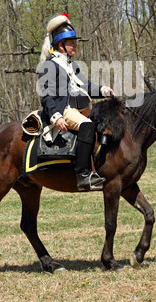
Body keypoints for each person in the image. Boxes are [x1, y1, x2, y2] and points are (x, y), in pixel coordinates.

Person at [37, 13, 114, 191]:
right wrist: (56, 116)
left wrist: (103, 90)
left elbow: (85, 86)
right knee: (87, 125)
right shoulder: (50, 65)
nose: (75, 45)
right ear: (60, 45)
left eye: (75, 42)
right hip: (63, 110)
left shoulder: (71, 65)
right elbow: (46, 95)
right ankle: (82, 175)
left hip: (79, 108)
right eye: (71, 42)